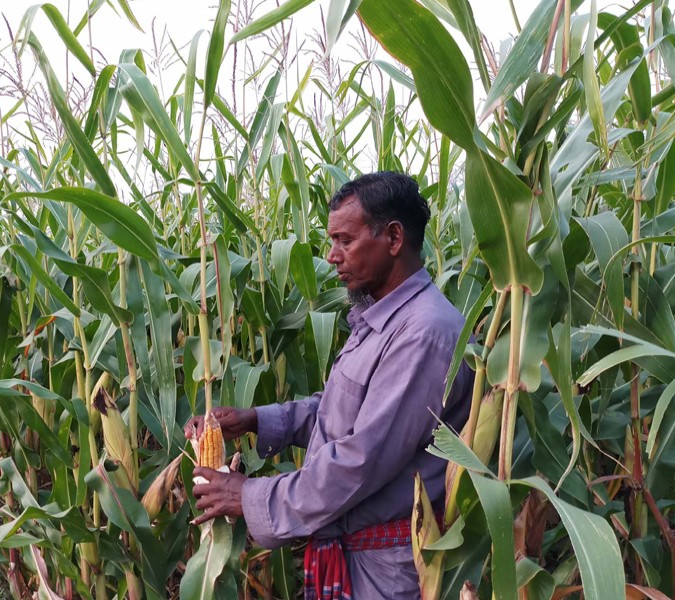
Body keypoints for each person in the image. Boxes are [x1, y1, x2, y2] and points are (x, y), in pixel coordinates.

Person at [189, 172, 474, 599]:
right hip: (359, 560)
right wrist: (254, 420)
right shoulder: (382, 319)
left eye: (344, 240)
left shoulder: (424, 334)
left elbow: (361, 459)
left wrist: (252, 496)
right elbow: (341, 408)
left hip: (387, 572)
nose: (331, 255)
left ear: (393, 238)